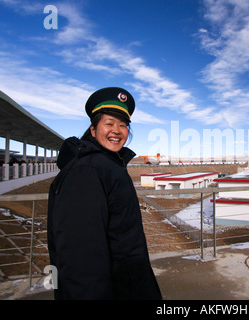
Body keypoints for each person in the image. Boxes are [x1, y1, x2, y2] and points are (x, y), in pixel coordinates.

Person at [47, 87, 162, 300]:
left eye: (122, 125)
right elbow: (80, 257)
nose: (116, 130)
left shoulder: (108, 165)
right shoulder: (87, 171)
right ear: (93, 130)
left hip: (125, 283)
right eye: (109, 123)